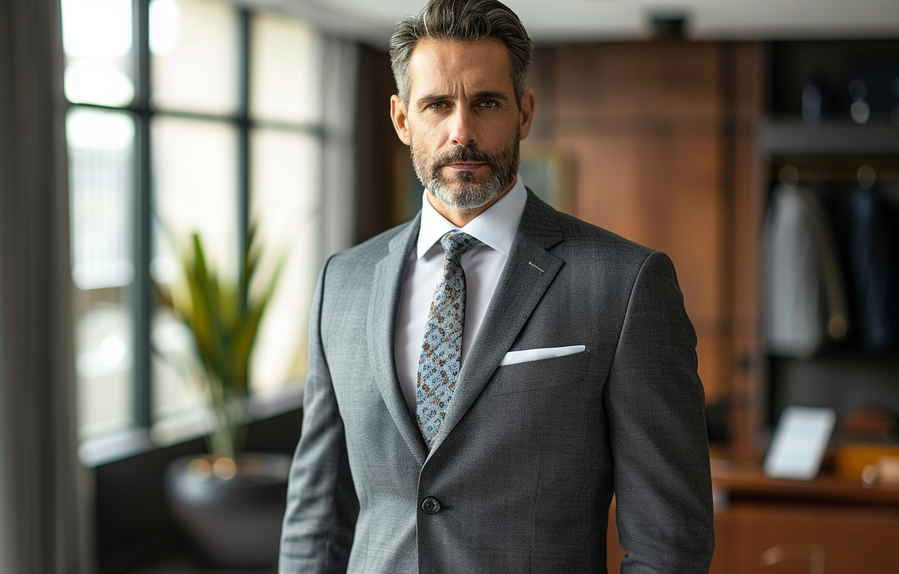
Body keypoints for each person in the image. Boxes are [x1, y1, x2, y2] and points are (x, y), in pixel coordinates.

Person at [279, 0, 714, 571]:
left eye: (486, 102)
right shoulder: (344, 282)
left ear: (524, 113)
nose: (462, 131)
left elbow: (668, 543)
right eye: (437, 104)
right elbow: (316, 515)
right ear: (402, 118)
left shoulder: (624, 285)